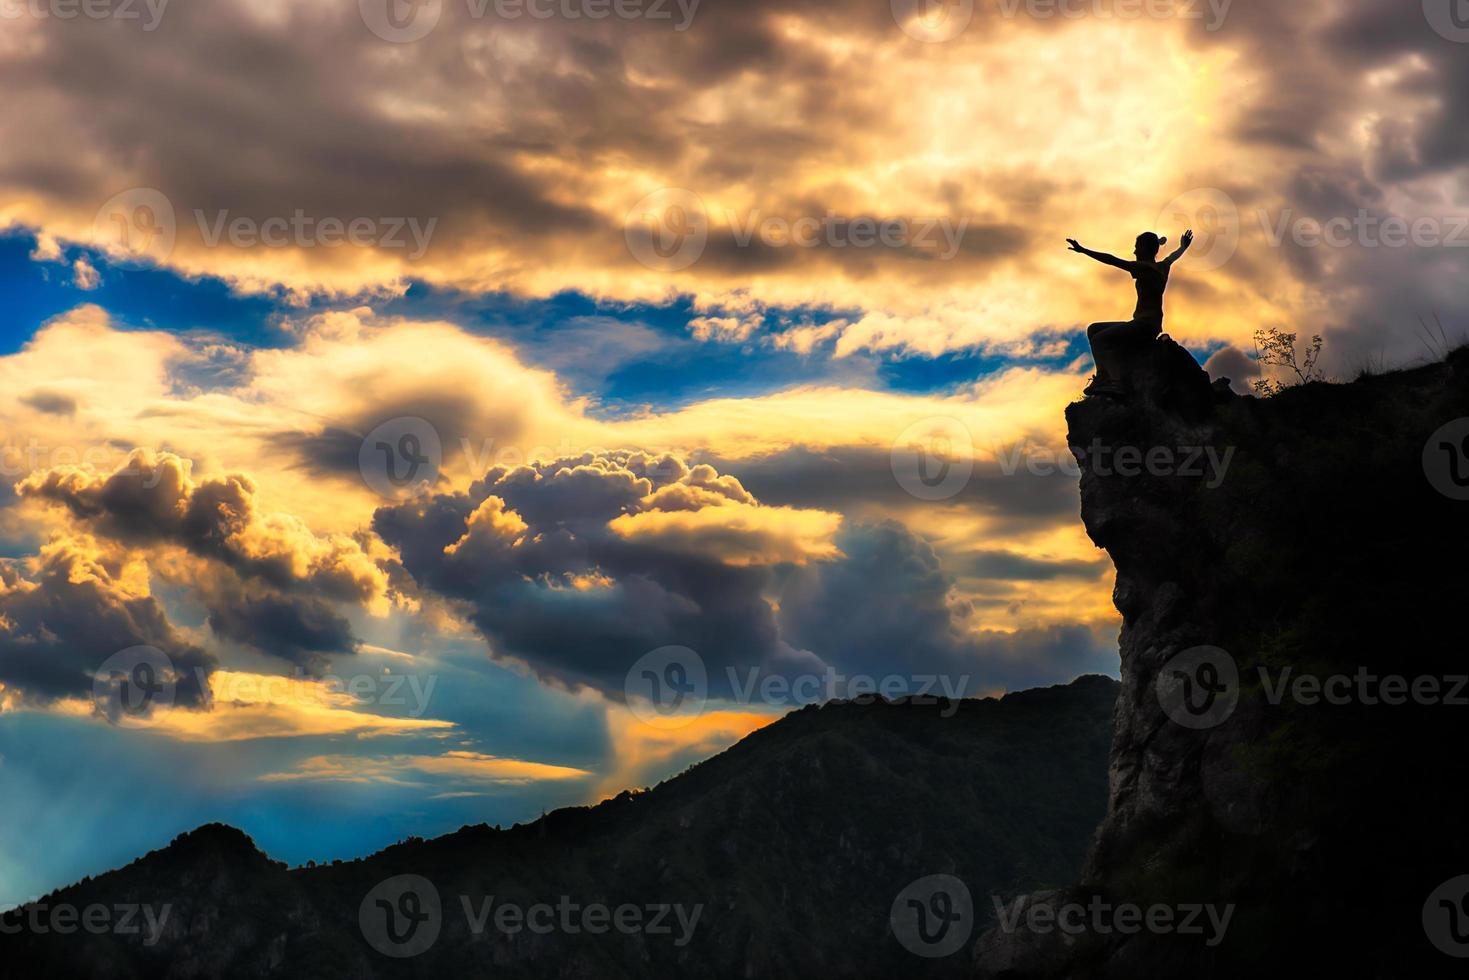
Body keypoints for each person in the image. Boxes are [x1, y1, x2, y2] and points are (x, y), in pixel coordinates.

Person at [1068, 229, 1193, 396]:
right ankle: (1103, 376)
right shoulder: (1162, 267)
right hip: (1147, 324)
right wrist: (1183, 247)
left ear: (1146, 249)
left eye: (1137, 247)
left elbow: (1111, 260)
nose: (1134, 251)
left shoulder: (1143, 268)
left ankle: (1116, 382)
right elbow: (1172, 257)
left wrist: (1083, 250)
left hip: (1144, 325)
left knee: (1100, 339)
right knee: (1093, 329)